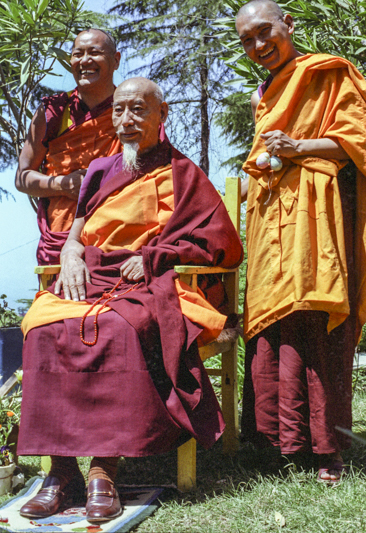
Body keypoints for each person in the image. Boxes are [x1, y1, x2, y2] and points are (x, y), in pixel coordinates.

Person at [17, 77, 243, 523]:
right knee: (43, 328)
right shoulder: (100, 170)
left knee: (120, 329)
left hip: (148, 284)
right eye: (120, 110)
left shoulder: (183, 173)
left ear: (162, 114)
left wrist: (157, 255)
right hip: (93, 276)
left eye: (138, 110)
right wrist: (70, 254)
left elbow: (222, 244)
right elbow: (75, 234)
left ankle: (103, 470)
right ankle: (62, 474)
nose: (126, 120)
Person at [235, 0, 366, 482]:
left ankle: (327, 449)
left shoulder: (328, 74)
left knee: (319, 320)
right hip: (271, 222)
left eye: (266, 32)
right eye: (248, 40)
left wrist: (298, 147)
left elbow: (363, 144)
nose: (260, 45)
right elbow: (264, 152)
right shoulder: (265, 91)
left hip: (320, 215)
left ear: (289, 25)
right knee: (273, 327)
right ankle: (278, 445)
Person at [15, 29, 122, 265]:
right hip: (60, 236)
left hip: (118, 232)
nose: (85, 61)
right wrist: (63, 185)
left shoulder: (130, 110)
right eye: (78, 54)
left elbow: (155, 173)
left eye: (94, 53)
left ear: (116, 60)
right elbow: (22, 178)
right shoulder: (53, 112)